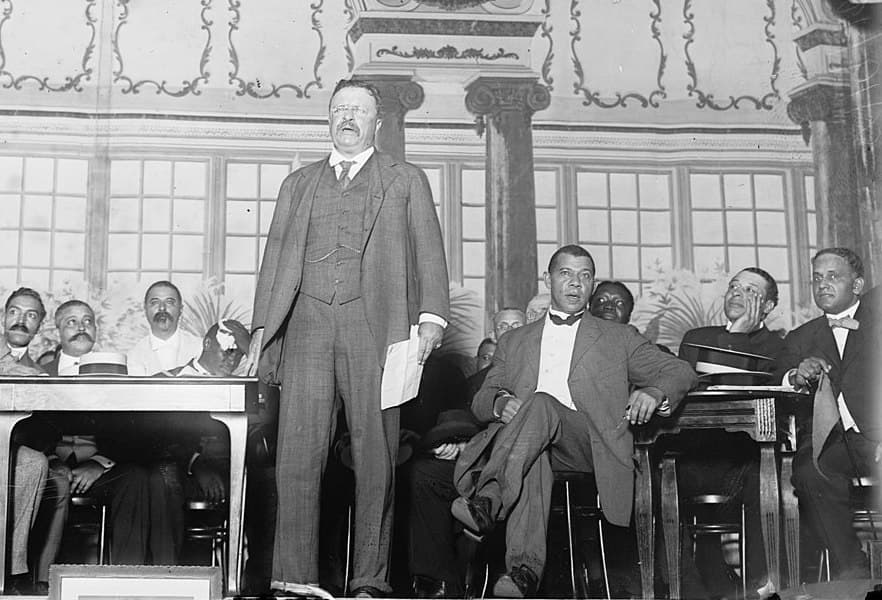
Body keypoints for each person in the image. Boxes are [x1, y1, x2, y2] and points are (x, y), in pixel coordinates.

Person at [245, 78, 450, 597]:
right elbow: (274, 263)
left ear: (378, 123)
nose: (348, 118)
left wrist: (432, 318)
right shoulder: (299, 184)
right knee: (297, 454)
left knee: (376, 456)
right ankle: (293, 578)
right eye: (340, 109)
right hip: (308, 325)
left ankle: (370, 582)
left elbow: (428, 250)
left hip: (375, 328)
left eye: (359, 111)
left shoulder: (406, 180)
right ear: (329, 118)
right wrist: (262, 332)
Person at [451, 245, 697, 598]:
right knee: (533, 452)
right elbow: (481, 399)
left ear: (592, 285)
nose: (575, 283)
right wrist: (500, 402)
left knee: (540, 404)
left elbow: (680, 371)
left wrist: (655, 391)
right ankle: (522, 573)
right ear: (548, 279)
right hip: (527, 448)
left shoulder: (619, 338)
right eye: (565, 273)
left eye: (585, 276)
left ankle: (488, 499)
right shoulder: (514, 340)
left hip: (588, 445)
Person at [39, 299, 178, 566]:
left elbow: (133, 433)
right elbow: (29, 433)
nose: (81, 327)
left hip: (100, 471)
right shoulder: (39, 374)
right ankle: (42, 582)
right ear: (57, 329)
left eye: (88, 321)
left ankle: (128, 577)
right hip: (52, 469)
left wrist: (98, 463)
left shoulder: (119, 374)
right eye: (72, 322)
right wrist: (54, 463)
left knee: (135, 477)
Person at [674, 267, 784, 597]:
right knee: (659, 477)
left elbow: (745, 398)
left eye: (750, 290)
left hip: (746, 461)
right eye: (734, 286)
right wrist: (733, 334)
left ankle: (755, 586)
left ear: (767, 307)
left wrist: (738, 335)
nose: (736, 292)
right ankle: (691, 590)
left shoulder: (778, 347)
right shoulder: (696, 338)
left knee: (762, 475)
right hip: (695, 457)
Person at [781, 248, 880, 579]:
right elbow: (779, 385)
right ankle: (851, 567)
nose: (822, 284)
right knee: (810, 473)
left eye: (833, 276)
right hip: (833, 441)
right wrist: (796, 375)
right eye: (817, 278)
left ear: (857, 284)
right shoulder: (800, 338)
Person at [0, 288, 51, 594]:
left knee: (33, 462)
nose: (21, 321)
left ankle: (12, 572)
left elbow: (42, 433)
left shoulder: (41, 375)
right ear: (3, 317)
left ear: (40, 325)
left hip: (6, 448)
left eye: (31, 315)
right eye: (14, 312)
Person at [126, 281, 202, 376]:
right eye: (155, 303)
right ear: (145, 309)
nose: (162, 308)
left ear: (181, 309)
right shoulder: (134, 356)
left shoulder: (200, 349)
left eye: (169, 302)